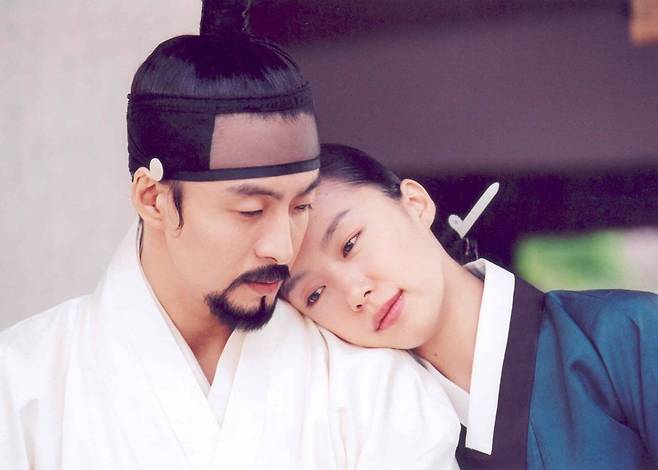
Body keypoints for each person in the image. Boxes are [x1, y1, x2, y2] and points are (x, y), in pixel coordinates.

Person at [0, 4, 461, 469]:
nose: (282, 248)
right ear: (153, 199)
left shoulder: (375, 389)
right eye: (250, 211)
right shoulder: (21, 387)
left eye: (300, 207)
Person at [282, 143, 658, 469]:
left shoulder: (628, 331)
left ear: (414, 204)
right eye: (315, 294)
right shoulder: (373, 434)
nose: (354, 293)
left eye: (350, 244)